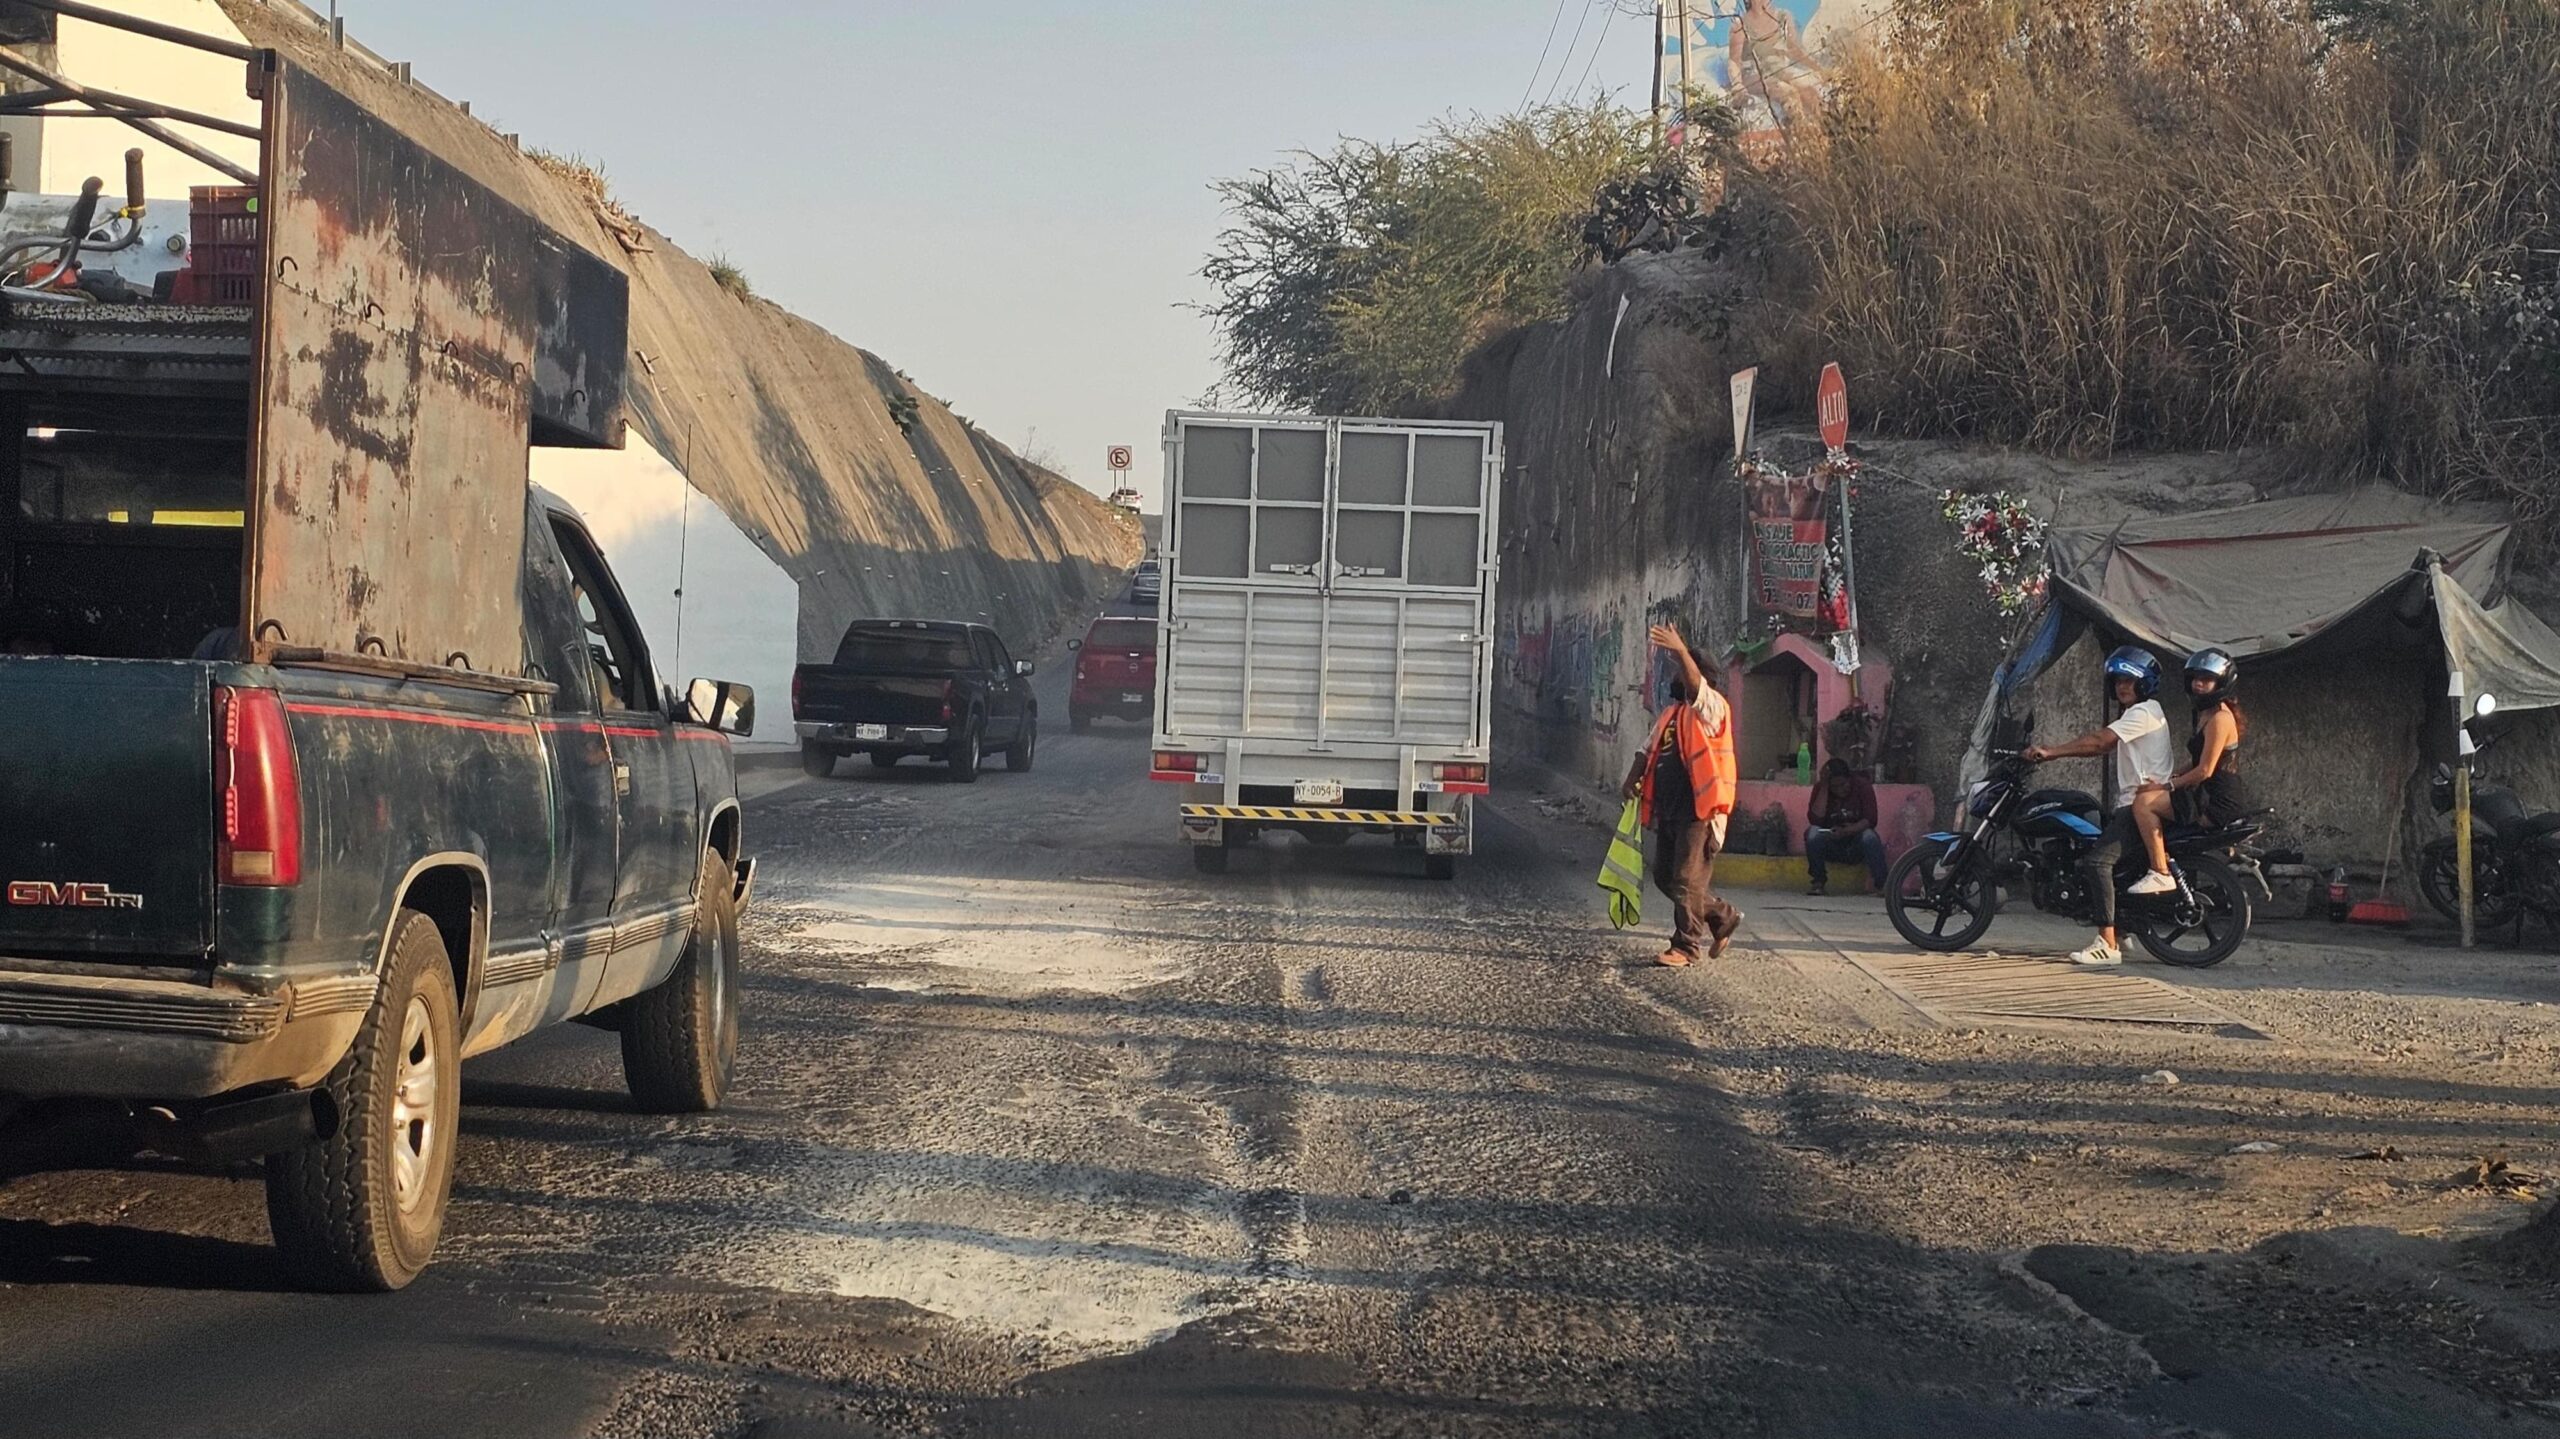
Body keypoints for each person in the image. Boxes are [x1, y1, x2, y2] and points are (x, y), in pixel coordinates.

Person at [2022, 645, 2176, 967]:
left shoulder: (2143, 713)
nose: (2122, 686)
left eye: (2129, 681)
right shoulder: (2143, 714)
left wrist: (2052, 752)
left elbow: (2099, 742)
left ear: (2143, 683)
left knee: (2096, 863)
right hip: (2132, 804)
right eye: (2118, 680)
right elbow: (2101, 747)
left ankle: (2107, 944)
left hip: (2136, 807)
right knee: (2107, 862)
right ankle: (2120, 931)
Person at [1621, 621, 1743, 968]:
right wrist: (1632, 778)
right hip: (1670, 810)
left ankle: (1686, 947)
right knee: (1665, 877)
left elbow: (1695, 685)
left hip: (1700, 812)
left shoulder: (1712, 708)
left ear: (1702, 676)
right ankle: (1722, 915)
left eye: (1683, 669)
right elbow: (1646, 751)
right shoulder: (1671, 714)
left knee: (1687, 880)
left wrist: (1679, 649)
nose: (1676, 676)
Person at [2167, 647, 2250, 827]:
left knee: (2145, 806)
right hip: (2204, 796)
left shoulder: (2220, 718)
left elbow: (2205, 770)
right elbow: (2200, 758)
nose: (2198, 684)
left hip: (2220, 803)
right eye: (2195, 678)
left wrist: (2169, 786)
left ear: (2221, 683)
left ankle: (2157, 857)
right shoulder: (2205, 713)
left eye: (2206, 679)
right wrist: (2173, 774)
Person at [1804, 757, 1887, 896]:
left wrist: (1847, 831)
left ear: (1849, 779)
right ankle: (1818, 882)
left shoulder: (1862, 786)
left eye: (1843, 784)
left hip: (1855, 844)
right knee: (1812, 833)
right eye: (1834, 787)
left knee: (1869, 837)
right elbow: (1815, 820)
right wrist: (1824, 787)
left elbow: (1870, 819)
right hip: (1831, 844)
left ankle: (1883, 885)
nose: (1839, 790)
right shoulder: (1821, 788)